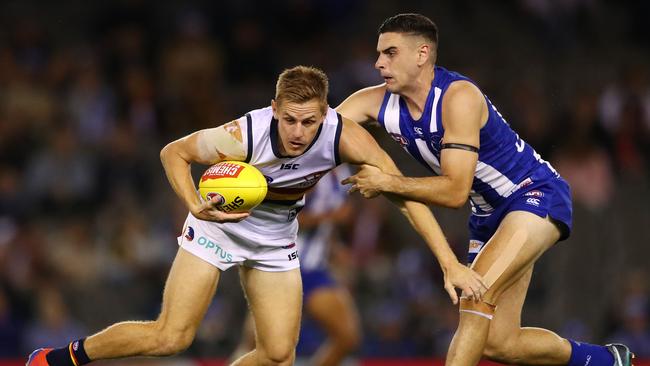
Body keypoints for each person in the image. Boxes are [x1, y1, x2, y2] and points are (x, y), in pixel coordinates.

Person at [26, 65, 485, 366]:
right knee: (172, 337)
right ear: (275, 110)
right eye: (290, 120)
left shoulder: (345, 138)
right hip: (217, 228)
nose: (299, 132)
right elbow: (173, 153)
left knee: (279, 354)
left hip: (275, 236)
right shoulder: (242, 135)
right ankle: (60, 358)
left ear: (325, 115)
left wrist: (449, 263)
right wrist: (191, 202)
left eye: (309, 121)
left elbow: (403, 195)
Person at [337, 13, 634, 366]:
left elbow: (454, 192)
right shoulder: (374, 102)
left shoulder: (458, 97)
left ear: (421, 54)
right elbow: (320, 132)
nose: (378, 63)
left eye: (389, 53)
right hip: (488, 217)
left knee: (476, 297)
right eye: (379, 53)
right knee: (499, 344)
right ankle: (608, 361)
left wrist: (387, 181)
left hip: (532, 195)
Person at [230, 165, 361, 365]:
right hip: (283, 265)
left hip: (313, 268)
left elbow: (329, 225)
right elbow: (279, 216)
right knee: (258, 344)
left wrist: (334, 248)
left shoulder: (343, 174)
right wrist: (329, 217)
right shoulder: (309, 169)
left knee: (346, 336)